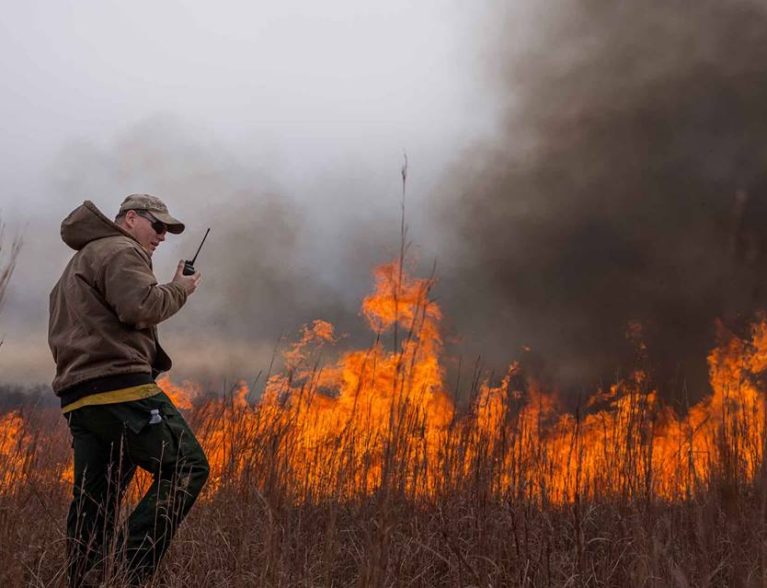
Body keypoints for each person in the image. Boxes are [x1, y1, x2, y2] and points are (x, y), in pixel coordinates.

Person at [48, 194, 210, 587]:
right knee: (188, 467)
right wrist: (179, 289)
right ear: (131, 219)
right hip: (121, 389)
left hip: (81, 398)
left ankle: (87, 579)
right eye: (158, 226)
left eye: (167, 231)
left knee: (94, 503)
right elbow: (139, 306)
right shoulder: (121, 249)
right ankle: (125, 572)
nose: (161, 236)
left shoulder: (79, 262)